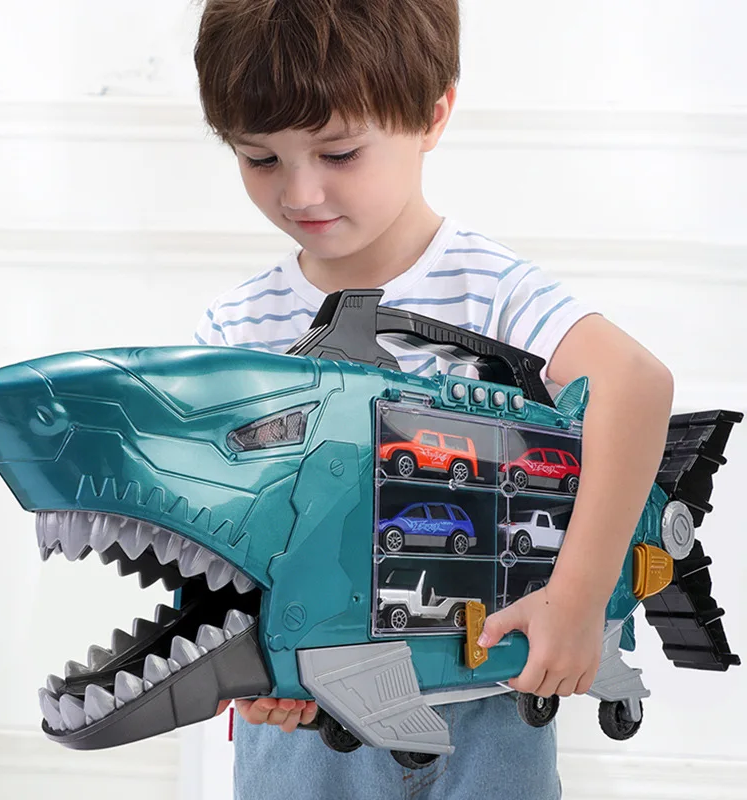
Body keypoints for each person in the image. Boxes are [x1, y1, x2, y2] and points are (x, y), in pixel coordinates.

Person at [191, 2, 674, 798]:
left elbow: (636, 385)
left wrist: (578, 599)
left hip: (489, 711)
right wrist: (248, 658)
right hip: (310, 737)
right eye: (260, 158)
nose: (300, 191)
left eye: (339, 152)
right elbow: (221, 526)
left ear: (432, 113)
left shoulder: (494, 291)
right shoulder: (234, 328)